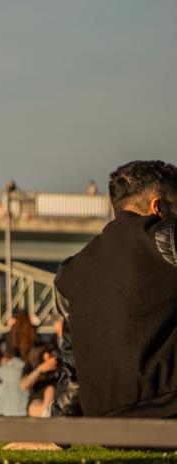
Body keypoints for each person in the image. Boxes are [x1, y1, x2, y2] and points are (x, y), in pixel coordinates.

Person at [54, 160, 177, 418]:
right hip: (169, 409)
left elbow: (72, 365)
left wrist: (58, 431)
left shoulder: (72, 269)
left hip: (110, 424)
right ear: (159, 207)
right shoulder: (167, 235)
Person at [0, 343, 29, 416]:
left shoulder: (4, 368)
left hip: (8, 410)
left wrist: (0, 365)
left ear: (6, 357)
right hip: (24, 408)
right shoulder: (26, 366)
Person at [22, 343, 59, 418]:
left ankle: (47, 411)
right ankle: (46, 411)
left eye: (52, 351)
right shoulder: (30, 367)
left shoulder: (57, 366)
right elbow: (23, 385)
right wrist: (40, 369)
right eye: (49, 352)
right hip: (36, 402)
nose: (52, 354)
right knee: (49, 390)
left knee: (50, 389)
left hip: (54, 402)